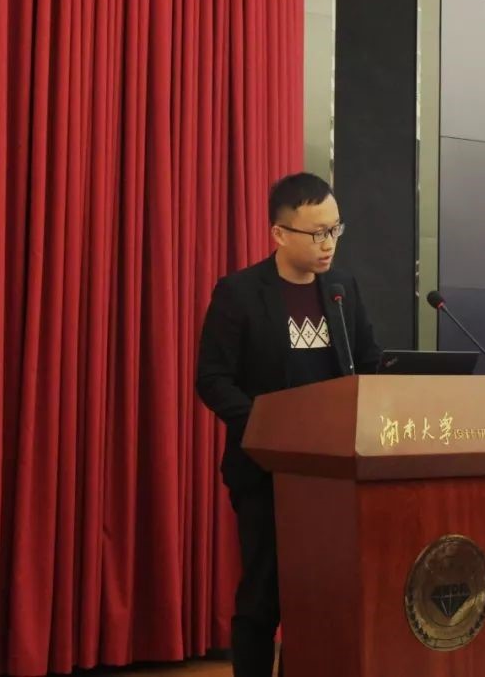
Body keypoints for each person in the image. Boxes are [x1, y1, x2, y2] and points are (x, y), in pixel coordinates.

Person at [196, 172, 381, 677]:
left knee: (324, 594)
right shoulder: (239, 292)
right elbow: (212, 380)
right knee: (263, 593)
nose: (328, 244)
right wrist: (269, 426)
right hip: (266, 471)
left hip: (336, 474)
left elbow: (368, 363)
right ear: (279, 233)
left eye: (335, 229)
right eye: (317, 233)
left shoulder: (342, 289)